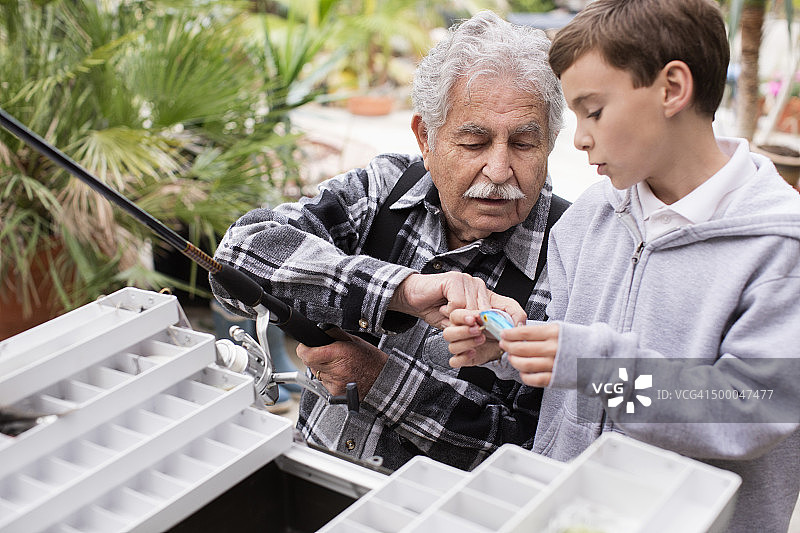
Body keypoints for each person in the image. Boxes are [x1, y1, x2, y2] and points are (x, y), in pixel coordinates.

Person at [444, 1, 800, 531]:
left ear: (672, 89)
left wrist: (599, 367)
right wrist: (512, 346)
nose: (579, 138)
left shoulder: (780, 245)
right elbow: (573, 365)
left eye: (593, 111)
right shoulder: (589, 218)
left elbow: (755, 408)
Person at [210, 11, 567, 471]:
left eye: (522, 144)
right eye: (474, 143)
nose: (499, 171)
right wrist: (401, 291)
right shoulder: (387, 189)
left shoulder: (571, 253)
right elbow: (235, 258)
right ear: (425, 138)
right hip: (311, 469)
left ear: (550, 143)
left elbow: (533, 450)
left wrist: (380, 380)